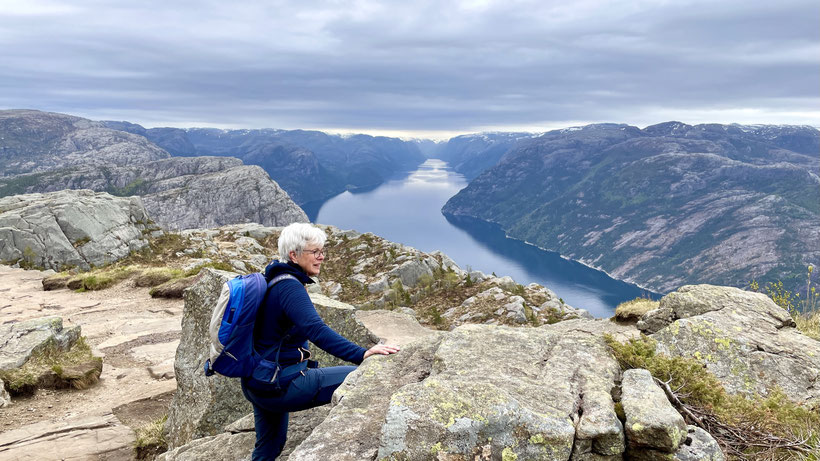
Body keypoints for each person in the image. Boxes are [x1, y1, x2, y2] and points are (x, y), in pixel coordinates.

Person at [241, 222, 400, 460]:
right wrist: (362, 353)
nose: (321, 257)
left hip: (259, 381)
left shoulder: (273, 279)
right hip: (282, 384)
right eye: (315, 252)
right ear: (294, 255)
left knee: (270, 445)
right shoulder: (289, 287)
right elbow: (315, 330)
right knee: (362, 378)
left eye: (322, 251)